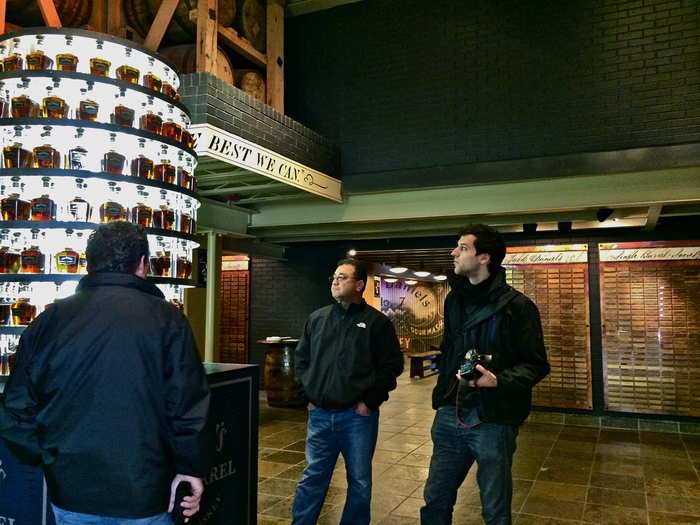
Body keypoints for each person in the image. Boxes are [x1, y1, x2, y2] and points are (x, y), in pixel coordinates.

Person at [0, 222, 210, 524]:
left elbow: (16, 407)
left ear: (89, 264)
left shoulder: (49, 320)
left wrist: (50, 456)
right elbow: (187, 406)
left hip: (72, 491)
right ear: (142, 264)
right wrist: (190, 468)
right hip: (145, 491)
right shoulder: (168, 320)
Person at [421, 225, 550, 525]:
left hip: (493, 420)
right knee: (435, 499)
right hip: (450, 413)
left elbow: (536, 364)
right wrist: (442, 392)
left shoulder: (518, 307)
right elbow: (451, 347)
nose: (454, 252)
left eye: (463, 247)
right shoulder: (454, 301)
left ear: (484, 257)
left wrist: (498, 381)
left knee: (494, 508)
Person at [292, 258, 403, 525]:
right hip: (320, 416)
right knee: (313, 477)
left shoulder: (376, 323)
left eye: (342, 277)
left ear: (359, 285)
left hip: (357, 418)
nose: (335, 281)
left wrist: (369, 402)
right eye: (334, 276)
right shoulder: (317, 319)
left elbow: (391, 366)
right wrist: (308, 397)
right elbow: (301, 361)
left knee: (360, 481)